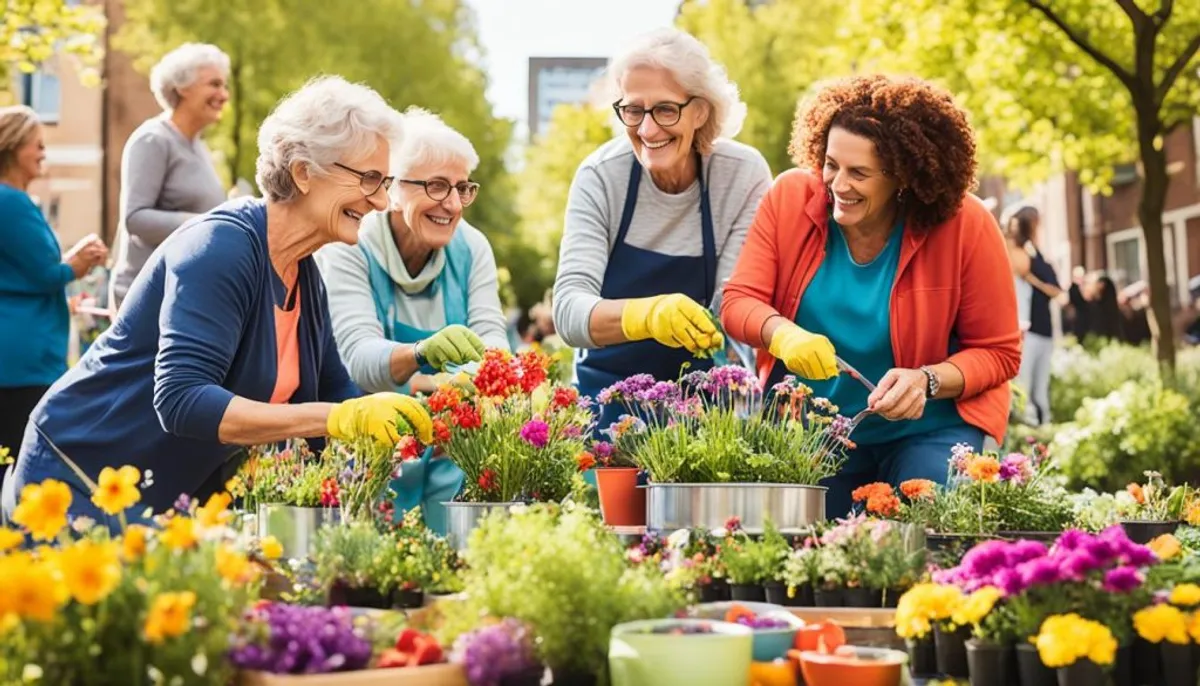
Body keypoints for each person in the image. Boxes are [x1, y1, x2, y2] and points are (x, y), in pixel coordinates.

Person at [3, 76, 432, 525]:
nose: (382, 201)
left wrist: (406, 418)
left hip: (155, 495)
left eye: (384, 182)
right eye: (368, 179)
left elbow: (335, 393)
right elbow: (182, 399)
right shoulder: (220, 247)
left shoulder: (305, 272)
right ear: (304, 171)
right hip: (78, 479)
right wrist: (338, 418)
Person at [721, 75, 1021, 517]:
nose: (838, 185)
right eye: (830, 164)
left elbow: (999, 353)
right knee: (804, 548)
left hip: (931, 429)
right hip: (816, 431)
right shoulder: (789, 198)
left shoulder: (966, 225)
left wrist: (926, 380)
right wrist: (783, 335)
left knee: (922, 528)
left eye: (859, 172)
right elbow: (738, 301)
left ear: (902, 177)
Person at [552, 27, 772, 431]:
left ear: (700, 111)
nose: (648, 130)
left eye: (666, 110)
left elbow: (733, 306)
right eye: (633, 110)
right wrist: (647, 315)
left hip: (705, 411)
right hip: (607, 404)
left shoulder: (742, 175)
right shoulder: (601, 176)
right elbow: (568, 311)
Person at [316, 108, 506, 532]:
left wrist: (454, 388)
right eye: (437, 186)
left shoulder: (471, 248)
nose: (453, 205)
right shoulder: (351, 245)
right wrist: (424, 356)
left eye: (462, 188)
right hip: (374, 448)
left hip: (452, 448)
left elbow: (494, 340)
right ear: (393, 189)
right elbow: (357, 358)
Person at [0, 105, 108, 484]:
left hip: (16, 349)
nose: (44, 153)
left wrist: (71, 261)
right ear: (14, 147)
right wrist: (81, 263)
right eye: (37, 145)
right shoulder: (11, 202)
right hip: (23, 357)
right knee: (24, 460)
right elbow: (46, 274)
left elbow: (24, 271)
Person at [108, 43, 230, 312]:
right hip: (146, 297)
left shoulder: (198, 145)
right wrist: (205, 223)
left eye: (224, 86)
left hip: (182, 292)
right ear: (182, 87)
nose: (224, 94)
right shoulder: (153, 140)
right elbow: (135, 218)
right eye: (214, 84)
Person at [1006, 206, 1064, 425]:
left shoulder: (1036, 255)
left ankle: (1042, 427)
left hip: (1042, 328)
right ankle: (1027, 427)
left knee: (1039, 387)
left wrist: (1033, 280)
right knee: (1025, 384)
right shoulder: (1017, 251)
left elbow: (1057, 289)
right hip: (1027, 328)